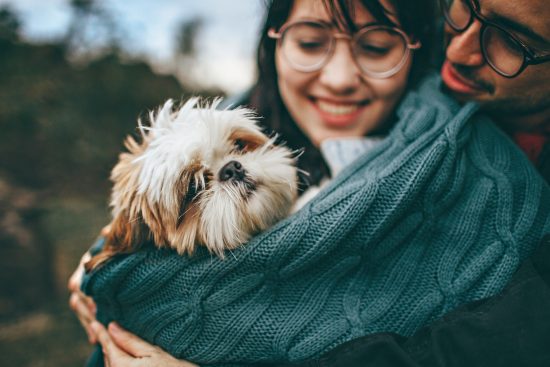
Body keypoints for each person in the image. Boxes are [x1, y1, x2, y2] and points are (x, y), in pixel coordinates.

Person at [68, 0, 549, 366]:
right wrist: (106, 263)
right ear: (272, 43)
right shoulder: (235, 112)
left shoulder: (474, 159)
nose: (339, 79)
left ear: (413, 50)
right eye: (310, 42)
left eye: (378, 47)